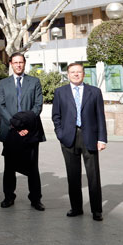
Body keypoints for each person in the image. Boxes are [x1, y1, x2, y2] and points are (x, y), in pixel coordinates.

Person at [52, 63, 107, 221]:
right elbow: (56, 116)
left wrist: (101, 139)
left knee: (93, 176)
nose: (76, 74)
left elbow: (100, 117)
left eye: (79, 72)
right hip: (68, 138)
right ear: (67, 74)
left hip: (90, 137)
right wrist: (60, 134)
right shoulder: (60, 92)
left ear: (84, 74)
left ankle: (96, 210)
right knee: (73, 175)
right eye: (72, 72)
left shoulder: (94, 92)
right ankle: (76, 207)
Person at [0, 52, 45, 211]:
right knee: (9, 167)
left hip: (30, 131)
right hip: (11, 131)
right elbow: (1, 106)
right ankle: (8, 196)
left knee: (33, 167)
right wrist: (16, 125)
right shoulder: (3, 83)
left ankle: (35, 199)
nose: (18, 65)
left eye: (21, 62)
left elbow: (38, 106)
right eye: (15, 62)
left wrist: (25, 125)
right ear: (10, 64)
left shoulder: (34, 82)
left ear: (24, 64)